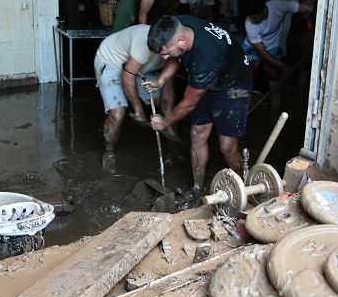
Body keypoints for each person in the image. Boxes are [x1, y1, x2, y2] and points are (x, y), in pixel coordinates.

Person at [146, 15, 252, 195]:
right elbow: (174, 58)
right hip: (208, 79)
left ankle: (245, 190)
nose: (163, 58)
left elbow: (188, 104)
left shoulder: (206, 57)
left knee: (226, 147)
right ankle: (197, 189)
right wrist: (160, 81)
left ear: (181, 40)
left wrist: (164, 123)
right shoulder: (176, 24)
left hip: (234, 83)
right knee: (197, 134)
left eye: (165, 52)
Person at [94, 24, 177, 170]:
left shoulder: (175, 48)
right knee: (118, 113)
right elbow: (128, 75)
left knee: (160, 104)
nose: (165, 56)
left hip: (139, 67)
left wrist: (168, 120)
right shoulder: (143, 43)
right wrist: (138, 109)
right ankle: (109, 152)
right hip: (112, 61)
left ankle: (173, 151)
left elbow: (168, 88)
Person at [240, 0, 315, 75]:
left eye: (255, 17)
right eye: (250, 17)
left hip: (272, 49)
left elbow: (308, 7)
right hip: (252, 50)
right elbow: (263, 53)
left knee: (274, 76)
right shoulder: (249, 24)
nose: (252, 20)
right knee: (247, 75)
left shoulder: (277, 6)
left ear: (264, 10)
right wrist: (285, 66)